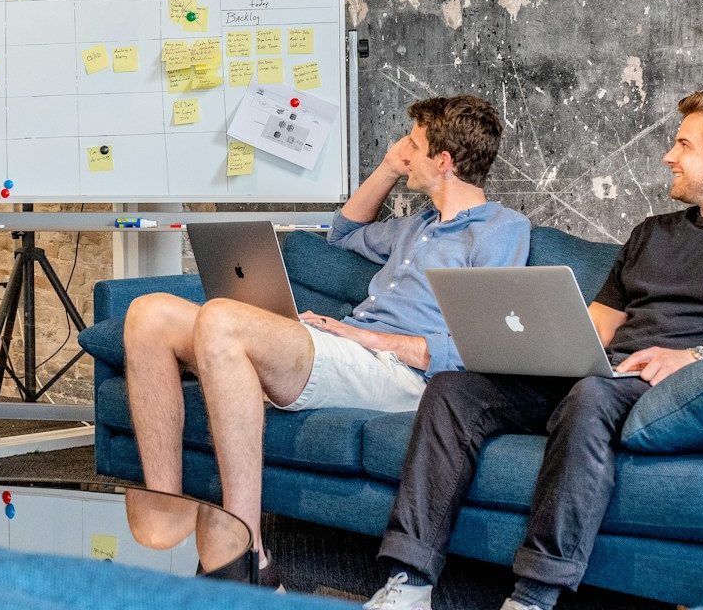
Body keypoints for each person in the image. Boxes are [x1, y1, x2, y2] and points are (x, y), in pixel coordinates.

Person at [364, 90, 703, 610]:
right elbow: (594, 327)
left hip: (680, 388)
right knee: (455, 390)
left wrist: (693, 357)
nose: (668, 155)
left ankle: (533, 596)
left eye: (683, 144)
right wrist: (530, 347)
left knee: (591, 394)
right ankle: (409, 583)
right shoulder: (651, 235)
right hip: (610, 376)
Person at [123, 94, 530, 580]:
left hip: (400, 375)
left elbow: (478, 348)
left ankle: (247, 552)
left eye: (413, 145)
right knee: (148, 314)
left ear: (443, 161)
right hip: (349, 352)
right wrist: (385, 168)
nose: (403, 150)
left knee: (222, 320)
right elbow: (343, 232)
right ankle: (167, 506)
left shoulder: (500, 230)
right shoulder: (416, 227)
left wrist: (366, 338)